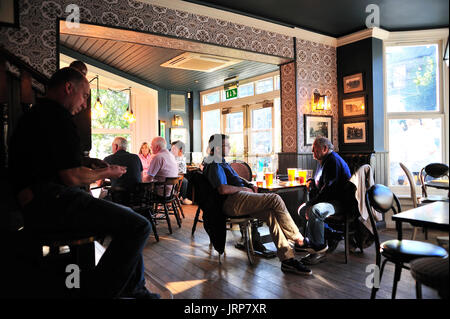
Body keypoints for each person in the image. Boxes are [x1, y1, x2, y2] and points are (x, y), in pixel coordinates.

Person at [8, 67, 158, 299]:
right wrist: (109, 171)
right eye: (85, 95)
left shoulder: (37, 116)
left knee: (128, 217)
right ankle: (101, 293)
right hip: (50, 201)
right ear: (69, 87)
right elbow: (71, 177)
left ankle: (135, 289)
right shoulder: (56, 116)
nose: (85, 103)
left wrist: (89, 162)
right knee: (140, 226)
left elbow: (54, 163)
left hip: (37, 203)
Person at [203, 134, 312, 276]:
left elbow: (232, 179)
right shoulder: (214, 163)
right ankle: (299, 239)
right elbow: (222, 189)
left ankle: (287, 260)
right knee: (275, 199)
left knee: (271, 214)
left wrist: (247, 183)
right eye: (227, 145)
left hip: (237, 199)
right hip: (230, 203)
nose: (229, 147)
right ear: (217, 147)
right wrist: (244, 188)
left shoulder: (220, 161)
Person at [296, 136, 351, 265]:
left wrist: (311, 203)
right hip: (329, 200)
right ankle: (330, 236)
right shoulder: (324, 161)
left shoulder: (333, 161)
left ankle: (319, 250)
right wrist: (310, 181)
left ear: (325, 148)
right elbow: (319, 183)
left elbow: (329, 191)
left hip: (339, 203)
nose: (312, 152)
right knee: (302, 210)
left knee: (315, 211)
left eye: (315, 149)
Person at [103, 137, 143, 204]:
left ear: (116, 146)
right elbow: (141, 177)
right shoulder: (136, 157)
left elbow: (99, 182)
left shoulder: (108, 159)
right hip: (136, 198)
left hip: (117, 199)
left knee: (102, 197)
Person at [170, 140, 192, 205]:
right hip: (168, 176)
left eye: (174, 149)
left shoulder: (182, 159)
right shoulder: (171, 157)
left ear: (180, 150)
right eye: (172, 148)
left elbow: (181, 174)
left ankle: (182, 197)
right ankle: (180, 197)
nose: (172, 150)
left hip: (175, 177)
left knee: (185, 180)